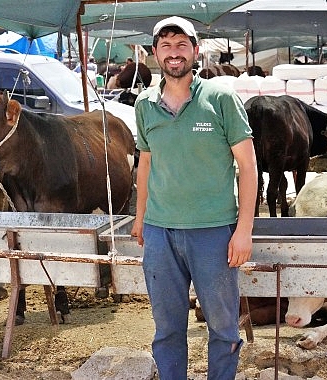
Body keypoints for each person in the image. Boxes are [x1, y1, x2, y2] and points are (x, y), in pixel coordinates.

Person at [130, 16, 258, 379]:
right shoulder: (144, 104)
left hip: (213, 233)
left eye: (182, 45)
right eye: (166, 46)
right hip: (160, 233)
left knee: (222, 328)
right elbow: (146, 164)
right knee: (167, 328)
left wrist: (244, 230)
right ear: (155, 53)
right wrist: (140, 219)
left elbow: (248, 167)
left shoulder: (219, 98)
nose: (174, 53)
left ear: (195, 51)